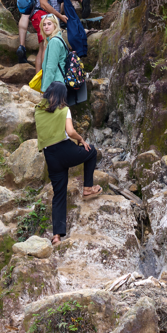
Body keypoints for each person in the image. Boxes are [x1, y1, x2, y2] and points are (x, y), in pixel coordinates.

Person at [35, 82, 102, 246]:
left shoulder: (38, 110)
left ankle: (56, 236)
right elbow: (70, 132)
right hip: (64, 150)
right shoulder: (64, 109)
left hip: (50, 155)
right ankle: (88, 188)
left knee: (59, 194)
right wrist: (81, 139)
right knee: (91, 151)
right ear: (62, 95)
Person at [30, 0, 67, 74]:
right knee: (45, 47)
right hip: (42, 15)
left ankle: (40, 79)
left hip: (48, 16)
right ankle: (44, 78)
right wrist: (60, 16)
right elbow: (43, 3)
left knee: (43, 47)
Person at [40, 14, 67, 92]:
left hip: (55, 85)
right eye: (44, 25)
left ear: (55, 25)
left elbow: (51, 68)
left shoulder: (54, 41)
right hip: (59, 84)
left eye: (49, 24)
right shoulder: (59, 39)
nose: (46, 27)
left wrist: (45, 89)